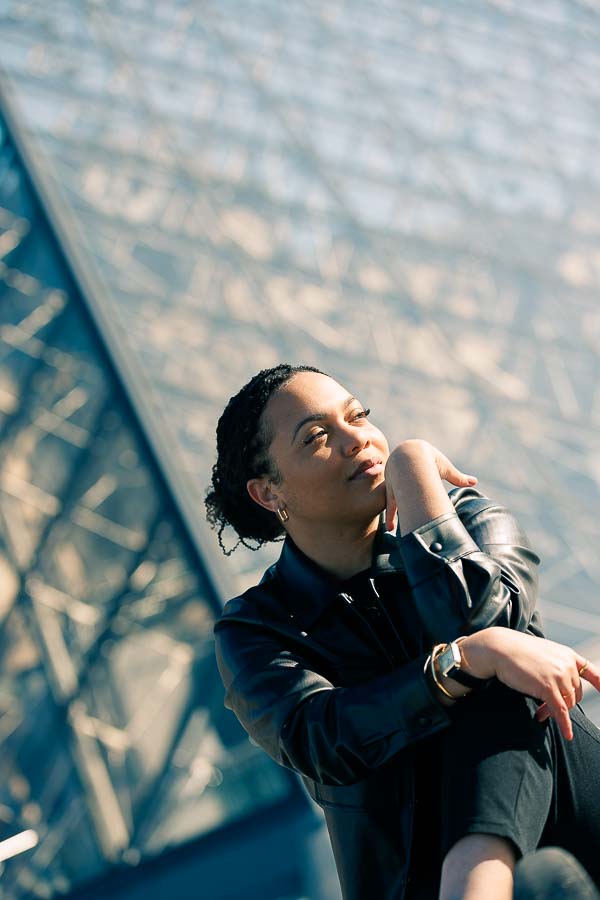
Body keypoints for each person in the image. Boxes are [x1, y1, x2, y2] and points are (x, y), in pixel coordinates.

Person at [206, 363, 600, 900]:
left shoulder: (468, 520)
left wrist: (414, 468)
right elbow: (323, 739)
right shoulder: (254, 630)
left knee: (503, 672)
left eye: (360, 416)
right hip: (418, 875)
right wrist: (455, 665)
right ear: (269, 493)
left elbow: (492, 624)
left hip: (577, 820)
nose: (358, 440)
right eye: (319, 436)